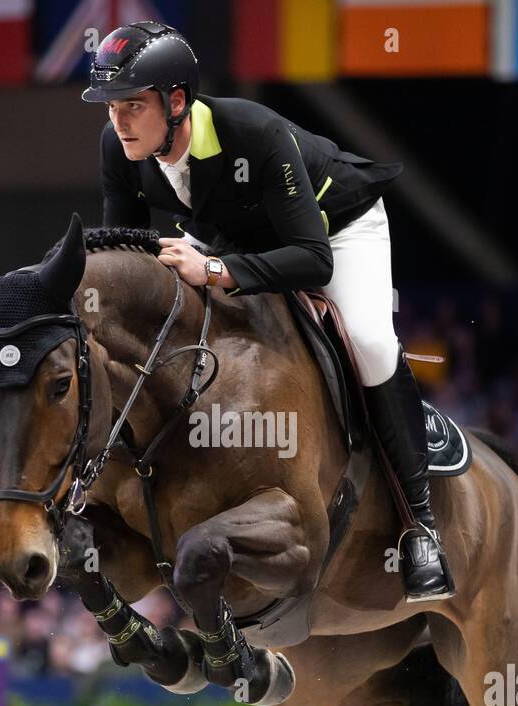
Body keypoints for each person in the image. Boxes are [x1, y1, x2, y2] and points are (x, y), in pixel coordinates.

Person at [82, 21, 452, 602]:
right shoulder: (121, 149)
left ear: (177, 102)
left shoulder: (253, 130)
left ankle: (420, 528)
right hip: (239, 242)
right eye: (110, 107)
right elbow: (125, 254)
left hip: (335, 231)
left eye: (132, 104)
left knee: (372, 340)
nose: (118, 121)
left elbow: (312, 259)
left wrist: (215, 271)